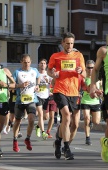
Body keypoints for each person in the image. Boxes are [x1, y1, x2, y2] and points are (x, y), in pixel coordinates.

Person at [47, 32, 86, 160]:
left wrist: (81, 71)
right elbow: (49, 71)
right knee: (66, 116)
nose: (69, 46)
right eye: (67, 43)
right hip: (59, 89)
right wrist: (53, 74)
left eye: (71, 43)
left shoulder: (78, 55)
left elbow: (85, 72)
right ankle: (66, 148)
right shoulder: (55, 56)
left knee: (71, 123)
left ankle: (58, 141)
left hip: (74, 92)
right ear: (62, 43)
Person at [12, 54, 40, 152]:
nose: (27, 64)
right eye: (25, 62)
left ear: (30, 62)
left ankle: (27, 138)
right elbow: (11, 85)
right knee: (18, 121)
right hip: (20, 100)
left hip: (31, 99)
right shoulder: (17, 72)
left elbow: (38, 77)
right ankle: (15, 140)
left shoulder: (34, 71)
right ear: (21, 62)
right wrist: (20, 85)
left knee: (32, 119)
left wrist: (37, 86)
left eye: (28, 62)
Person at [90, 45, 108, 162]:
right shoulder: (104, 51)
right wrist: (92, 86)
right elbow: (95, 69)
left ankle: (105, 142)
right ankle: (106, 145)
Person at [81, 60, 101, 145]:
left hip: (96, 102)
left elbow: (101, 89)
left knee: (96, 122)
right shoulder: (84, 78)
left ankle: (92, 122)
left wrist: (100, 92)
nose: (90, 69)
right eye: (88, 68)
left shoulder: (99, 79)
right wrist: (95, 92)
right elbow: (89, 90)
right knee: (86, 118)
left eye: (92, 68)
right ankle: (87, 137)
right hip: (85, 101)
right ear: (85, 68)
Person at [35, 58, 51, 140]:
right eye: (41, 63)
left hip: (46, 96)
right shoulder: (36, 74)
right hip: (38, 96)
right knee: (40, 114)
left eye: (44, 63)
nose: (43, 65)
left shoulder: (48, 74)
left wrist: (48, 81)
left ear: (46, 65)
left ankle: (38, 126)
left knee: (46, 117)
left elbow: (53, 83)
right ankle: (43, 132)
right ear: (38, 64)